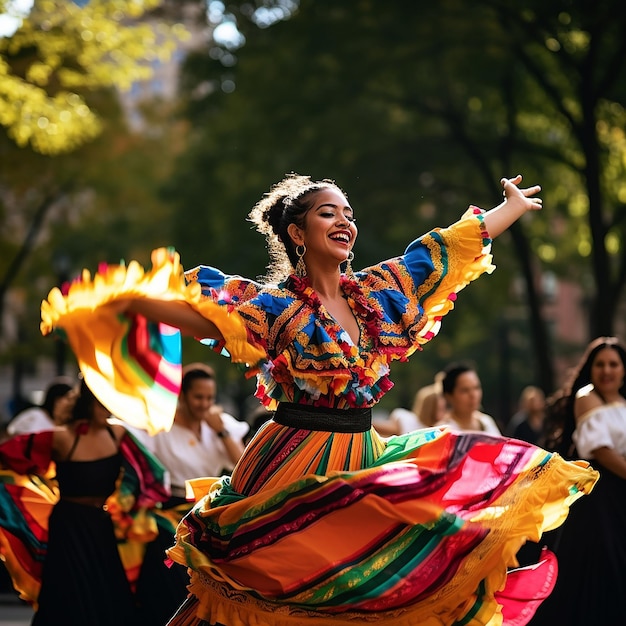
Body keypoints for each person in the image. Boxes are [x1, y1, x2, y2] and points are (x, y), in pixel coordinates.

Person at [39, 173, 599, 626]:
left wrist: (508, 209)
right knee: (271, 590)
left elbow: (445, 253)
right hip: (291, 459)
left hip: (360, 455)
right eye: (328, 212)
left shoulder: (380, 296)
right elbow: (199, 314)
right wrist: (123, 301)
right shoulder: (274, 307)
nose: (345, 221)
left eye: (348, 213)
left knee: (363, 590)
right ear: (297, 233)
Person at [0, 378, 171, 626]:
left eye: (112, 405)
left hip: (102, 525)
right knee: (64, 594)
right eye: (103, 405)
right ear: (88, 403)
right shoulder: (62, 437)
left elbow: (152, 475)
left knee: (108, 593)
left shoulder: (118, 432)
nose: (109, 410)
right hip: (67, 525)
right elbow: (9, 456)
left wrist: (127, 506)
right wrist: (37, 490)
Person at [529, 337, 626, 626]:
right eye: (600, 364)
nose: (607, 370)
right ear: (591, 369)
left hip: (621, 492)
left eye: (613, 364)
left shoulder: (622, 402)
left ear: (623, 369)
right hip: (600, 495)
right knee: (604, 564)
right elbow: (601, 451)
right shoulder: (586, 396)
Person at [148, 362, 249, 505]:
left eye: (209, 398)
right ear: (182, 395)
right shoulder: (161, 425)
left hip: (209, 503)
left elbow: (243, 465)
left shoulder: (221, 423)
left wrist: (221, 432)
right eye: (198, 397)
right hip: (171, 503)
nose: (204, 404)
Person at [437, 362, 502, 434]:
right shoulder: (443, 431)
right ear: (449, 396)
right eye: (465, 390)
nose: (473, 395)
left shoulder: (487, 422)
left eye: (476, 388)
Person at [6, 377, 77, 436]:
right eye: (68, 399)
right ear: (56, 400)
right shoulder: (35, 415)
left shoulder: (69, 425)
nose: (72, 403)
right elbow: (11, 432)